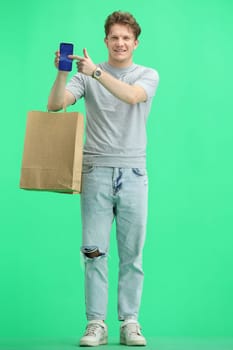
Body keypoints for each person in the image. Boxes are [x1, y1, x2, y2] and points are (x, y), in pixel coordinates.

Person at [48, 10, 159, 347]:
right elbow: (55, 105)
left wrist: (96, 71)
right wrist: (61, 73)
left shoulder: (147, 75)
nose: (120, 43)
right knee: (93, 252)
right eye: (115, 37)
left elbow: (131, 97)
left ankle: (130, 323)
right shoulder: (85, 76)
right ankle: (96, 322)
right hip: (95, 170)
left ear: (135, 43)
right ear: (106, 41)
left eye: (126, 38)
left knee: (132, 255)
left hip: (134, 172)